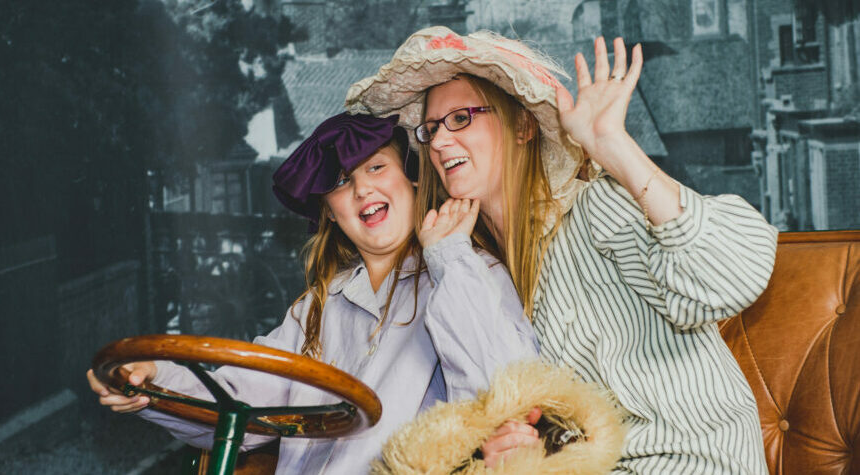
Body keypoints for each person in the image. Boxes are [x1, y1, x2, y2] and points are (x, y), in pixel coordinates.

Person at [346, 27, 777, 473]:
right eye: (431, 128)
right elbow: (484, 401)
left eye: (460, 119)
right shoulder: (470, 264)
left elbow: (731, 276)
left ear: (522, 126)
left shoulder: (595, 208)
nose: (436, 142)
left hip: (689, 460)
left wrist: (615, 147)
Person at [86, 112, 538, 474]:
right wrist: (153, 381)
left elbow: (501, 396)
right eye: (340, 182)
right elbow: (237, 408)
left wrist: (448, 257)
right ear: (329, 211)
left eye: (377, 167)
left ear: (413, 180)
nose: (362, 188)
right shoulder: (315, 309)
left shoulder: (465, 273)